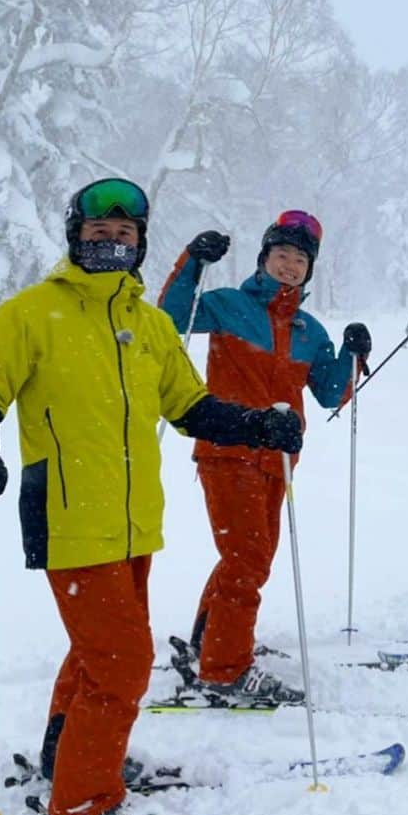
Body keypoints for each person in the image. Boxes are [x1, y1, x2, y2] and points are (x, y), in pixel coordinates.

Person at [0, 178, 302, 815]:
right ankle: (82, 804)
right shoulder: (32, 313)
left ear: (140, 244)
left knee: (97, 653)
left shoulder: (148, 324)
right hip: (69, 515)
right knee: (122, 663)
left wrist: (258, 425)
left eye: (126, 234)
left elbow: (190, 406)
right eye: (99, 232)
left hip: (135, 522)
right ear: (75, 234)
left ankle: (67, 755)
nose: (112, 242)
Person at [159, 210, 371, 702]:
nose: (290, 265)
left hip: (278, 461)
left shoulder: (308, 330)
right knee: (246, 560)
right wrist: (193, 259)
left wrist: (351, 353)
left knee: (248, 559)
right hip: (227, 450)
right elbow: (172, 314)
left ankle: (209, 642)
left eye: (300, 259)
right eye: (282, 255)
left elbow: (329, 392)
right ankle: (225, 669)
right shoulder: (229, 306)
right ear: (264, 258)